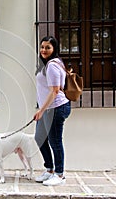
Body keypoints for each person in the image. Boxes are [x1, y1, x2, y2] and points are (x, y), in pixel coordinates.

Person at [33, 36, 71, 186]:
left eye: (48, 47)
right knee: (39, 138)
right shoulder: (46, 64)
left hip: (56, 108)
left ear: (54, 49)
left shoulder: (52, 66)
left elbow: (55, 91)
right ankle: (49, 170)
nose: (44, 50)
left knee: (55, 141)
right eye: (42, 47)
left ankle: (59, 174)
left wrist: (41, 111)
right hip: (47, 109)